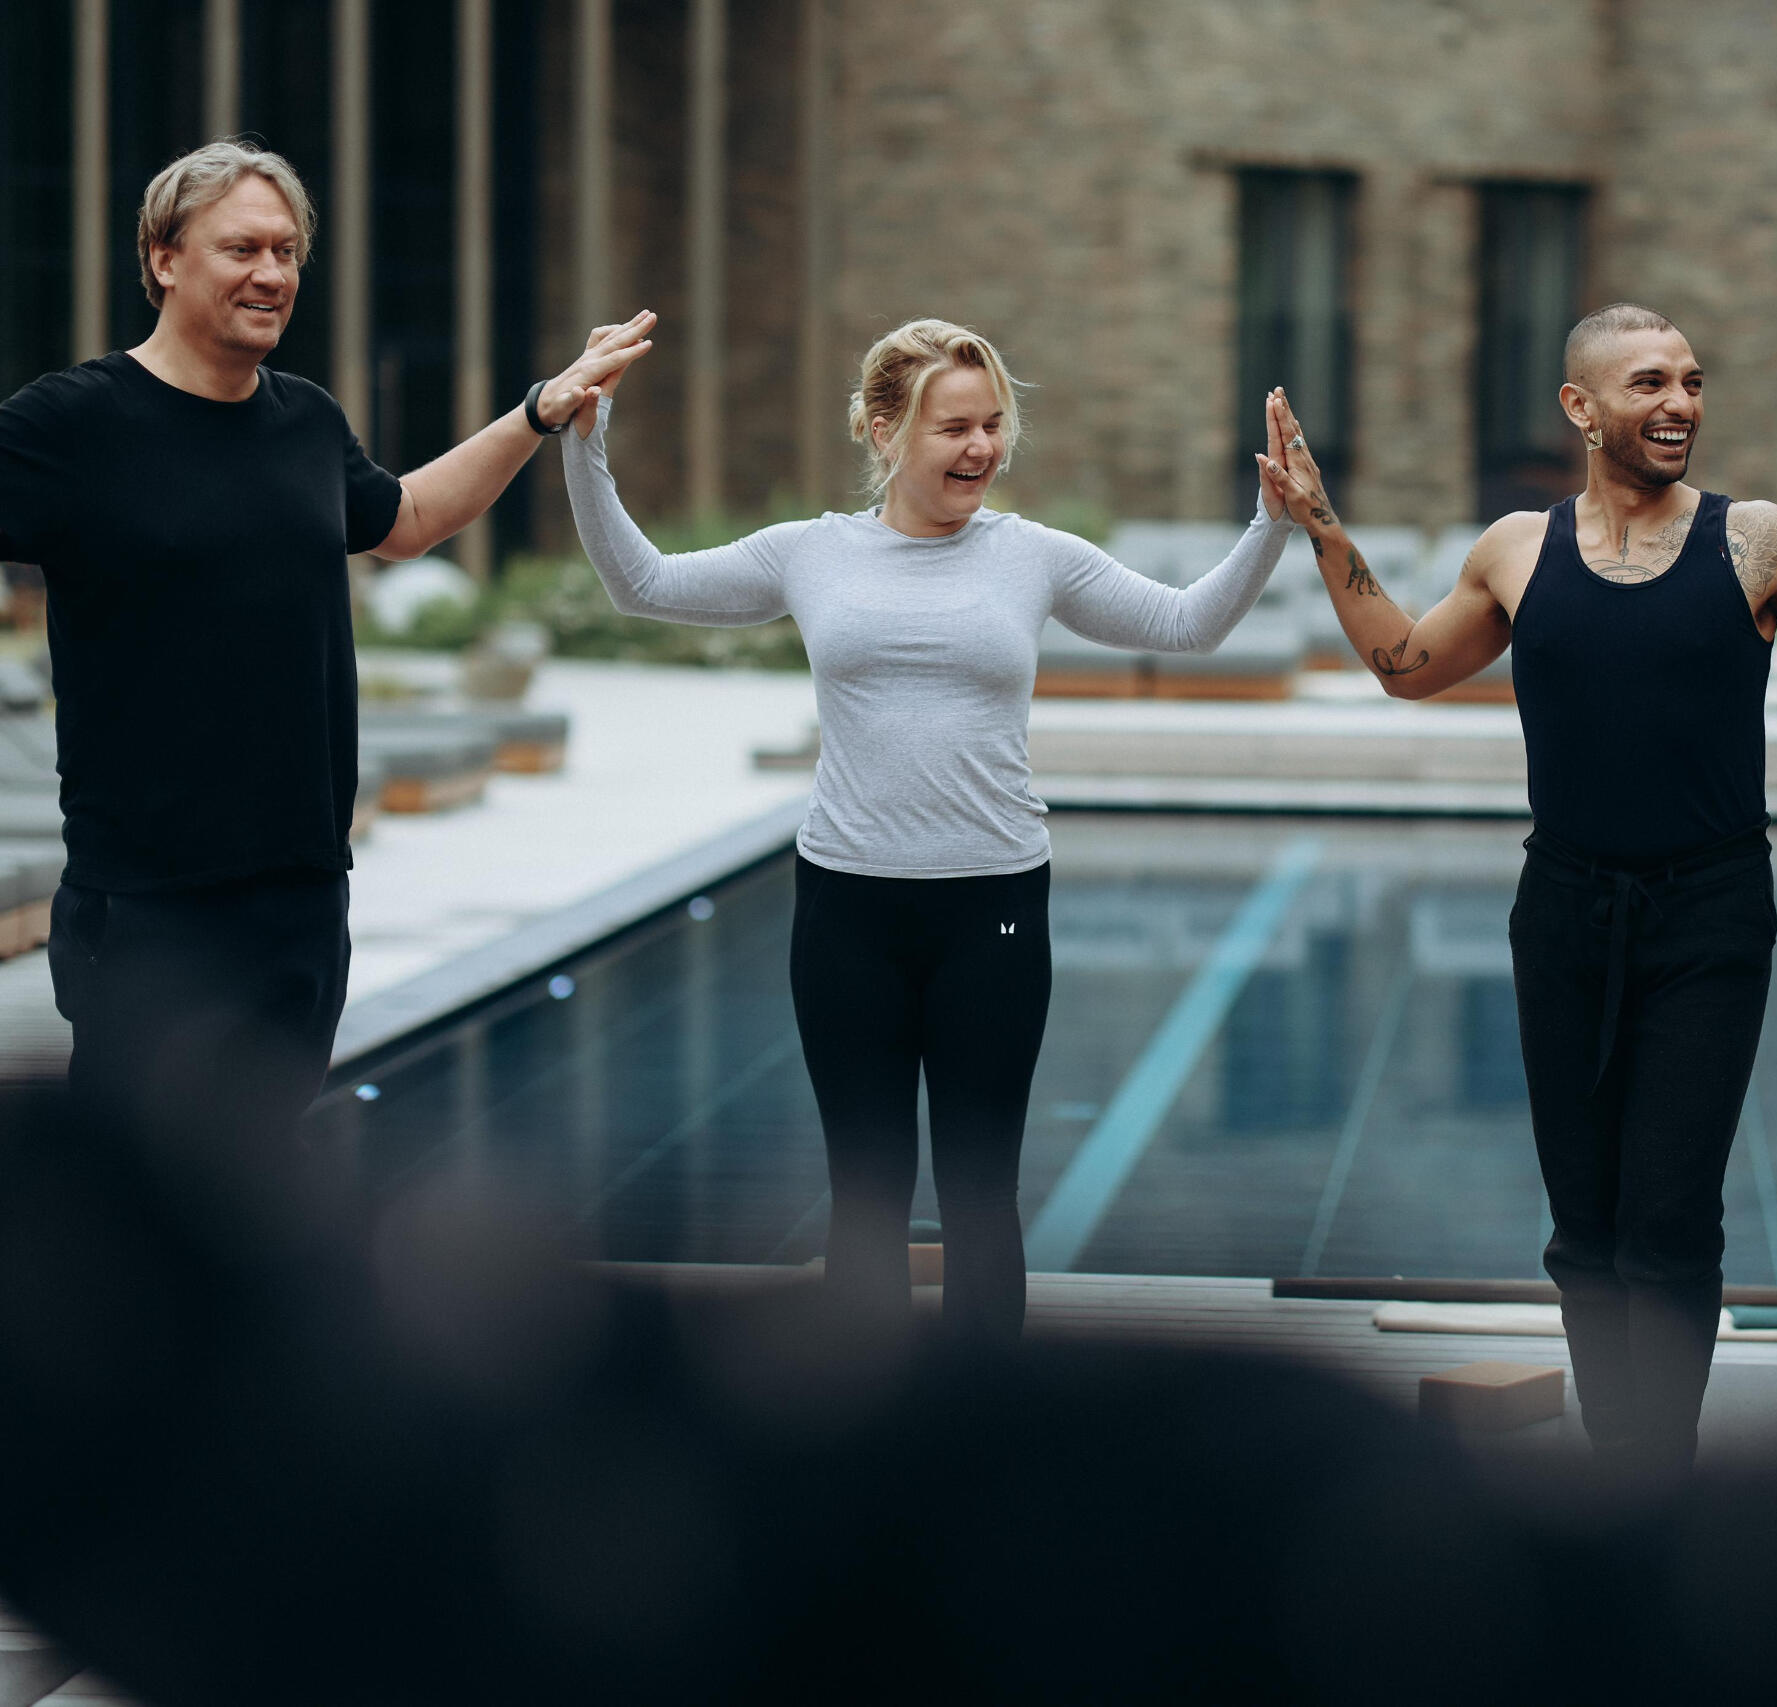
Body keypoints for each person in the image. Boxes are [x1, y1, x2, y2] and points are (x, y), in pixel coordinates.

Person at [1261, 303, 1777, 1478]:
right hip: (1561, 910)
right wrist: (1318, 524)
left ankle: (1649, 1476)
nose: (1680, 405)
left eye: (1693, 383)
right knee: (1584, 1229)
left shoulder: (1755, 543)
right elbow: (1405, 666)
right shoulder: (1515, 549)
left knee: (1669, 1222)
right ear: (1581, 408)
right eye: (1650, 383)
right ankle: (1617, 1459)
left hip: (1709, 912)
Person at [560, 312, 1306, 1344]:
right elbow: (639, 583)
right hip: (846, 906)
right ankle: (861, 1450)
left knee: (979, 1200)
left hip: (992, 902)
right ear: (882, 429)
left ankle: (977, 1451)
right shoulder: (809, 555)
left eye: (993, 424)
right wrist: (583, 443)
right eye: (953, 426)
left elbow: (1188, 624)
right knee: (863, 1198)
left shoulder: (1032, 557)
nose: (981, 450)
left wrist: (1272, 522)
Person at [0, 140, 645, 1241]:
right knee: (135, 1229)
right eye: (241, 247)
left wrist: (540, 410)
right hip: (148, 903)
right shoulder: (73, 424)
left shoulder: (301, 418)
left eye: (288, 252)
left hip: (301, 891)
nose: (272, 274)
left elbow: (402, 520)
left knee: (257, 1217)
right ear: (162, 258)